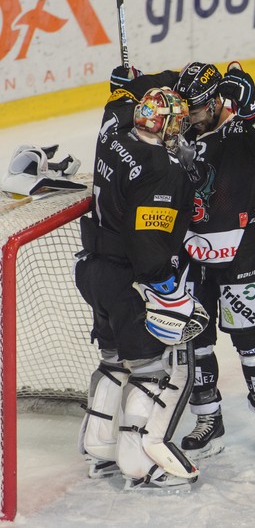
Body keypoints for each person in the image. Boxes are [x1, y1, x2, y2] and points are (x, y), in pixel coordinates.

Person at [76, 86, 207, 491]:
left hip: (93, 271)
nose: (179, 131)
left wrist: (127, 82)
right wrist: (166, 287)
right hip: (129, 280)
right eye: (175, 123)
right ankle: (137, 463)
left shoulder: (113, 132)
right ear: (162, 122)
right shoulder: (161, 169)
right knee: (151, 370)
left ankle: (100, 445)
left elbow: (116, 103)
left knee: (114, 359)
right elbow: (148, 241)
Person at [171, 62, 255, 459]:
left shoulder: (242, 127)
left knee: (252, 340)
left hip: (239, 249)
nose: (188, 117)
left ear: (217, 101)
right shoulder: (180, 131)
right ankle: (208, 416)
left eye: (196, 109)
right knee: (197, 341)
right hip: (192, 251)